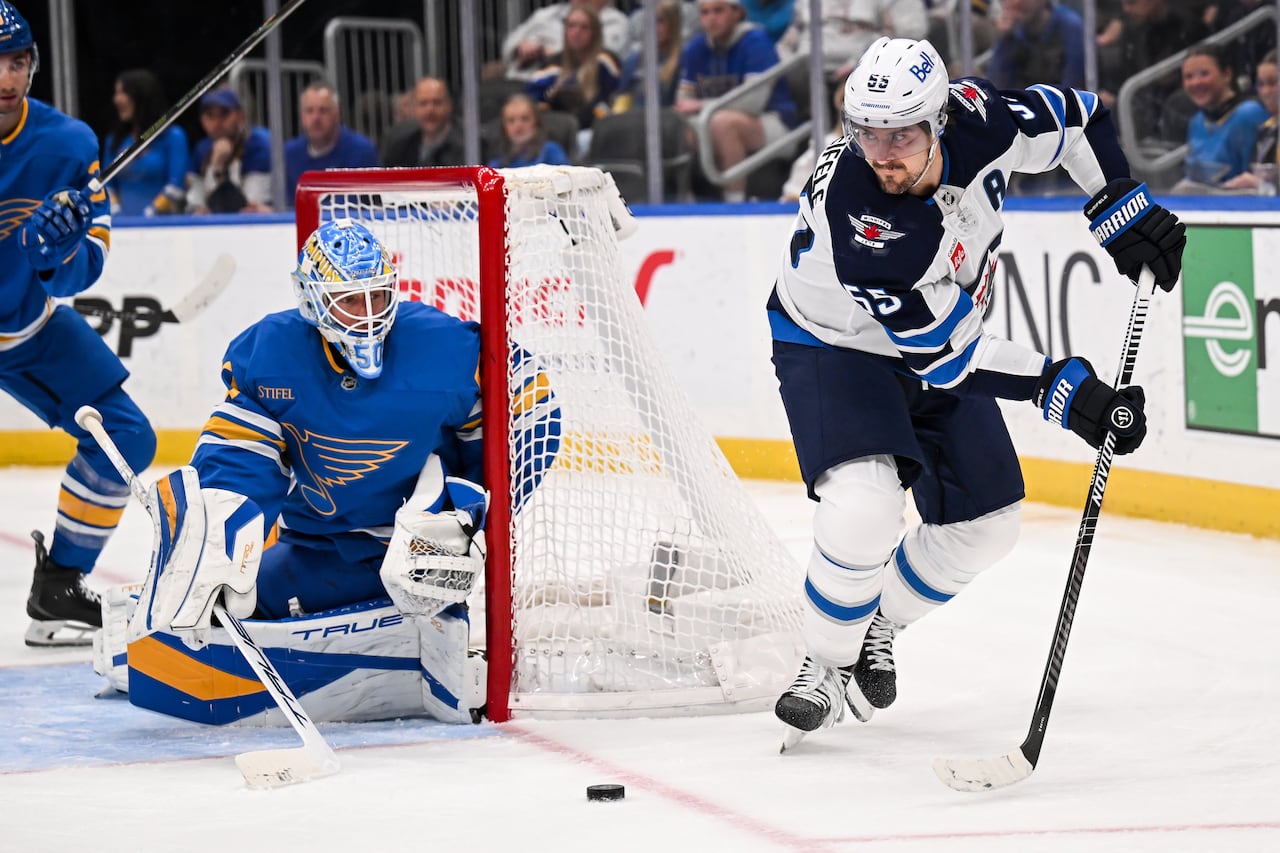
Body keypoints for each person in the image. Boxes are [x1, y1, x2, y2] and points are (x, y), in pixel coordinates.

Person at [767, 37, 1185, 737]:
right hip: (832, 345)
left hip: (931, 335)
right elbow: (947, 358)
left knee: (988, 525)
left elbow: (1081, 120)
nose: (882, 152)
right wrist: (1068, 391)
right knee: (864, 509)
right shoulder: (871, 223)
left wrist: (1120, 204)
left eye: (900, 133)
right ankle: (826, 661)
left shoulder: (984, 119)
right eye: (866, 133)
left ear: (940, 123)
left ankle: (879, 624)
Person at [95, 219, 561, 724]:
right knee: (210, 615)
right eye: (348, 301)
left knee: (422, 612)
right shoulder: (272, 355)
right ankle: (150, 621)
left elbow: (532, 409)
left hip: (416, 549)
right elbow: (241, 458)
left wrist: (469, 514)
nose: (367, 317)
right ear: (313, 300)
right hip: (320, 549)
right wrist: (220, 536)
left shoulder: (441, 348)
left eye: (376, 297)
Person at [0, 1, 156, 647]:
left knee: (126, 436)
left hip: (27, 329)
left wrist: (52, 256)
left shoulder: (70, 145)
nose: (5, 78)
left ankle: (59, 585)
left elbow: (85, 265)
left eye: (16, 61)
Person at [675, 0, 800, 201]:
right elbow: (682, 101)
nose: (711, 18)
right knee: (685, 128)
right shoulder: (696, 48)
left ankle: (734, 202)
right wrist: (697, 110)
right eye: (705, 12)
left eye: (718, 11)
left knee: (723, 124)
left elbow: (753, 104)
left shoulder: (756, 41)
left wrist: (701, 106)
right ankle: (687, 197)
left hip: (776, 122)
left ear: (737, 13)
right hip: (714, 120)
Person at [526, 4, 622, 153]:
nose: (576, 32)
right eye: (571, 26)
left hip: (592, 132)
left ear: (595, 32)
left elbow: (609, 103)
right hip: (558, 134)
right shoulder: (552, 66)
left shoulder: (606, 62)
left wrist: (573, 124)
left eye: (584, 27)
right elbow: (533, 101)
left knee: (583, 140)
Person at [1172, 44, 1269, 189]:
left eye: (1204, 74)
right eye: (1188, 77)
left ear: (1227, 74)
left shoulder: (1249, 114)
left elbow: (1260, 179)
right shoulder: (1197, 121)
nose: (1196, 82)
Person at [102, 69, 188, 216]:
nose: (117, 99)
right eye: (116, 93)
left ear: (142, 96)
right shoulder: (114, 141)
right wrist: (118, 216)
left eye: (123, 92)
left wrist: (149, 216)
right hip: (122, 229)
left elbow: (176, 186)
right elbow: (107, 187)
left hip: (162, 227)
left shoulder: (173, 136)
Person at [780, 0, 929, 83]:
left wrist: (862, 60)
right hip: (807, 68)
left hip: (867, 69)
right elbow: (791, 36)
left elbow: (910, 35)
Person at [283, 80, 378, 205]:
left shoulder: (362, 151)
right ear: (301, 116)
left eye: (323, 111)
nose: (316, 118)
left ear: (337, 114)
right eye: (309, 111)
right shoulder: (289, 153)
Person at [185, 87, 272, 214]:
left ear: (240, 116)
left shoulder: (258, 146)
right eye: (210, 115)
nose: (217, 122)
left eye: (224, 114)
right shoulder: (202, 149)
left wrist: (218, 168)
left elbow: (247, 208)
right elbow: (194, 204)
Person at [501, 0, 630, 81]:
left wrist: (547, 53)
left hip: (566, 87)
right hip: (518, 79)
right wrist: (520, 47)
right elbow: (508, 45)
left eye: (584, 27)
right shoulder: (546, 14)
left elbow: (601, 58)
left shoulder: (615, 21)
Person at [986, 0, 1085, 91]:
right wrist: (1005, 39)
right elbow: (998, 87)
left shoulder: (1070, 26)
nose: (1017, 2)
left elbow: (1072, 86)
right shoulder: (1013, 31)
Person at [611, 0, 686, 113]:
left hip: (668, 124)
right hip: (632, 123)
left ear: (673, 25)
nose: (653, 27)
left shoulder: (683, 60)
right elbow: (621, 103)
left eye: (660, 21)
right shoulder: (633, 61)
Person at [1221, 49, 1279, 191]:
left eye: (1273, 83)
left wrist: (1262, 185)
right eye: (1261, 84)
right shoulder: (1267, 129)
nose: (1265, 92)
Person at [380, 77, 467, 168]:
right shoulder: (399, 143)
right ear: (413, 107)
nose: (430, 110)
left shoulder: (468, 145)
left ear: (449, 105)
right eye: (423, 103)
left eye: (437, 102)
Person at [488, 93, 572, 167]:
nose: (518, 125)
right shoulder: (497, 163)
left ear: (536, 121)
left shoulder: (551, 151)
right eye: (511, 120)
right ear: (504, 126)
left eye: (525, 119)